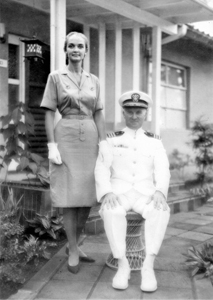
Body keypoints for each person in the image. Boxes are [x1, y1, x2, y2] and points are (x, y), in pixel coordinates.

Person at [40, 31, 109, 274]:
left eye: (80, 46)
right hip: (66, 135)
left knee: (87, 195)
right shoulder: (56, 77)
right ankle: (71, 248)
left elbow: (99, 112)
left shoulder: (94, 80)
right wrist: (51, 146)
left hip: (89, 136)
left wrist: (104, 143)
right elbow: (49, 111)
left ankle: (76, 245)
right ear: (66, 50)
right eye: (71, 46)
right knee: (69, 197)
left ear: (86, 50)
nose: (76, 49)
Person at [95, 90, 170, 292]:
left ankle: (148, 267)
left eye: (139, 111)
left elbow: (163, 169)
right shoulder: (111, 139)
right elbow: (101, 167)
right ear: (123, 113)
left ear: (146, 114)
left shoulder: (155, 141)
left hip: (145, 193)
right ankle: (122, 265)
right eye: (130, 112)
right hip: (119, 193)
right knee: (111, 211)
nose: (134, 116)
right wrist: (106, 192)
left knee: (160, 210)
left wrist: (160, 191)